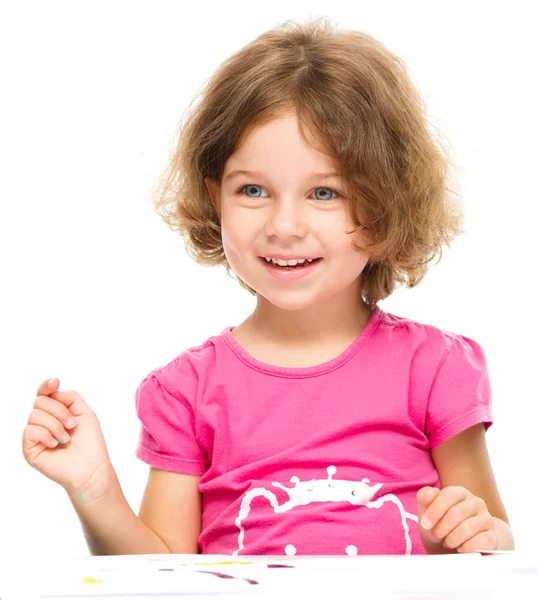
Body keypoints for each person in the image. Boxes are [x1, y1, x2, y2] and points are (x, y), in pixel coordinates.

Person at [22, 17, 514, 557]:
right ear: (215, 197)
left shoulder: (434, 369)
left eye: (325, 193)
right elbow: (159, 577)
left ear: (385, 201)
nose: (284, 226)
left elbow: (494, 548)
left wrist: (470, 537)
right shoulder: (186, 392)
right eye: (253, 189)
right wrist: (95, 489)